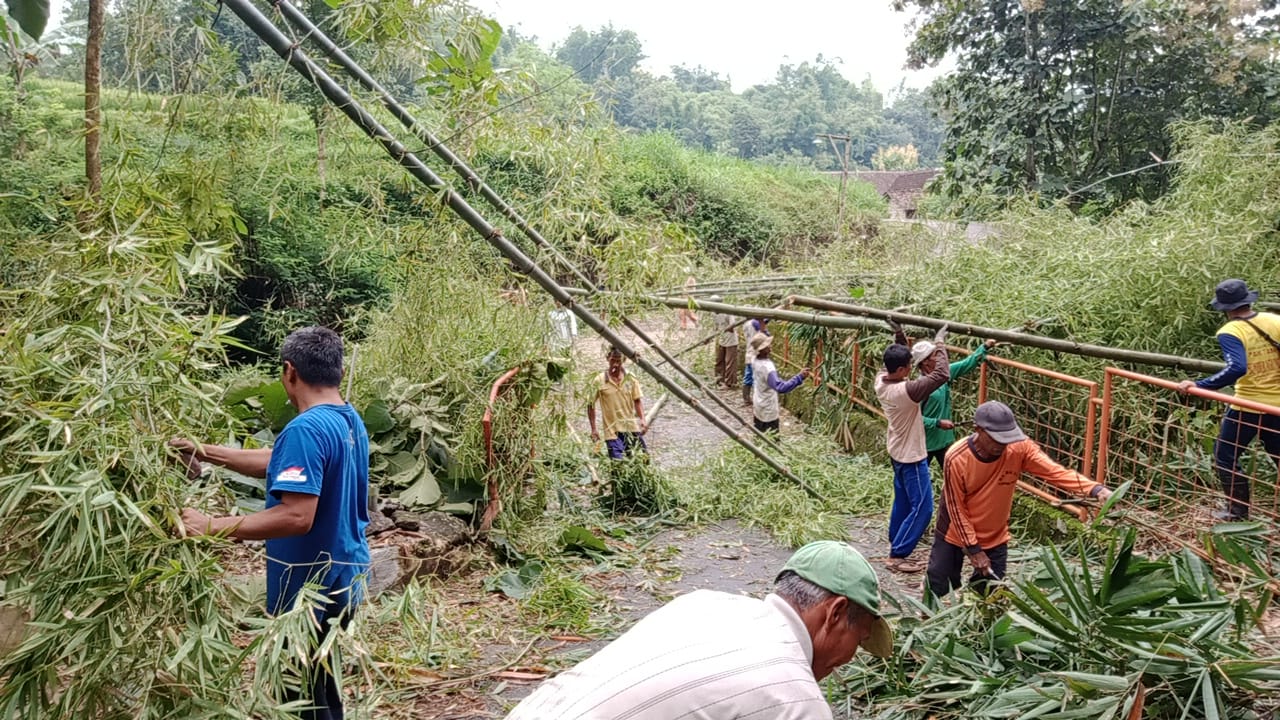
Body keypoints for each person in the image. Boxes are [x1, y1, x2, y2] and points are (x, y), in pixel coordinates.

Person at [173, 326, 370, 720]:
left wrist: (210, 525)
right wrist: (206, 451)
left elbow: (297, 516)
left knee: (300, 698)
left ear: (289, 371)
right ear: (338, 371)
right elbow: (277, 459)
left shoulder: (307, 429)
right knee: (320, 690)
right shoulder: (346, 419)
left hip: (309, 590)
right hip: (343, 575)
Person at [505, 541, 893, 720]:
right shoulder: (794, 700)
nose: (847, 660)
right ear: (836, 612)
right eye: (857, 642)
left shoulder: (703, 601)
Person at [927, 401, 1113, 599]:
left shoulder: (1019, 448)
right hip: (955, 532)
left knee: (990, 597)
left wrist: (1095, 489)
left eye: (1007, 438)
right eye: (997, 439)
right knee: (937, 588)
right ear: (978, 430)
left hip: (994, 534)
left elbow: (1053, 471)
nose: (1002, 444)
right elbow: (956, 507)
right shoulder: (957, 458)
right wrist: (973, 549)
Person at [1178, 279, 1280, 520]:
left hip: (1248, 404)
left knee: (1225, 455)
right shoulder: (1274, 320)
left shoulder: (1230, 331)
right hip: (1277, 405)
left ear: (1225, 308)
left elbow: (1237, 368)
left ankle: (1237, 513)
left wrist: (1201, 385)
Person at [874, 324, 950, 573]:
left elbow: (899, 358)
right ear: (901, 371)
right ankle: (898, 555)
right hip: (911, 456)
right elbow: (941, 375)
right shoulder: (906, 392)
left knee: (904, 503)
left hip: (896, 450)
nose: (912, 370)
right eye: (909, 366)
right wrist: (939, 344)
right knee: (923, 507)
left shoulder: (881, 380)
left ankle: (895, 544)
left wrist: (899, 335)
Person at [923, 338, 998, 471]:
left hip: (944, 440)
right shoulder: (919, 387)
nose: (941, 359)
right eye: (936, 356)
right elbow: (914, 418)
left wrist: (984, 347)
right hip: (924, 443)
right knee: (920, 480)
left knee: (954, 474)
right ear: (925, 362)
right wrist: (937, 423)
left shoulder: (944, 374)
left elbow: (966, 364)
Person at [588, 346, 648, 460]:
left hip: (631, 427)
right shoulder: (599, 380)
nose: (615, 364)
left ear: (624, 360)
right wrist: (594, 429)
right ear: (607, 359)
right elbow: (590, 405)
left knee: (642, 459)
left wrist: (643, 420)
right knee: (618, 463)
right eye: (612, 360)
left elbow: (637, 400)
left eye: (618, 361)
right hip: (612, 431)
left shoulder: (630, 378)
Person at [750, 333, 809, 434]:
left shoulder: (754, 360)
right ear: (761, 350)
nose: (770, 346)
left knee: (759, 436)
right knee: (771, 439)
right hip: (768, 409)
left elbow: (770, 381)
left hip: (758, 404)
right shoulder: (767, 367)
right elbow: (781, 387)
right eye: (767, 345)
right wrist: (799, 377)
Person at [710, 296, 739, 389]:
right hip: (722, 340)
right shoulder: (714, 313)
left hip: (731, 341)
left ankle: (729, 383)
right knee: (719, 360)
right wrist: (710, 338)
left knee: (729, 362)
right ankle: (719, 380)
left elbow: (733, 325)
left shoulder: (727, 312)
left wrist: (725, 330)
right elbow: (715, 328)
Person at [741, 317, 770, 405]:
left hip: (749, 353)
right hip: (756, 353)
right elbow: (764, 325)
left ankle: (746, 398)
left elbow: (765, 321)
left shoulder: (745, 324)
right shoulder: (753, 322)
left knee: (748, 377)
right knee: (757, 378)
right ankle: (757, 399)